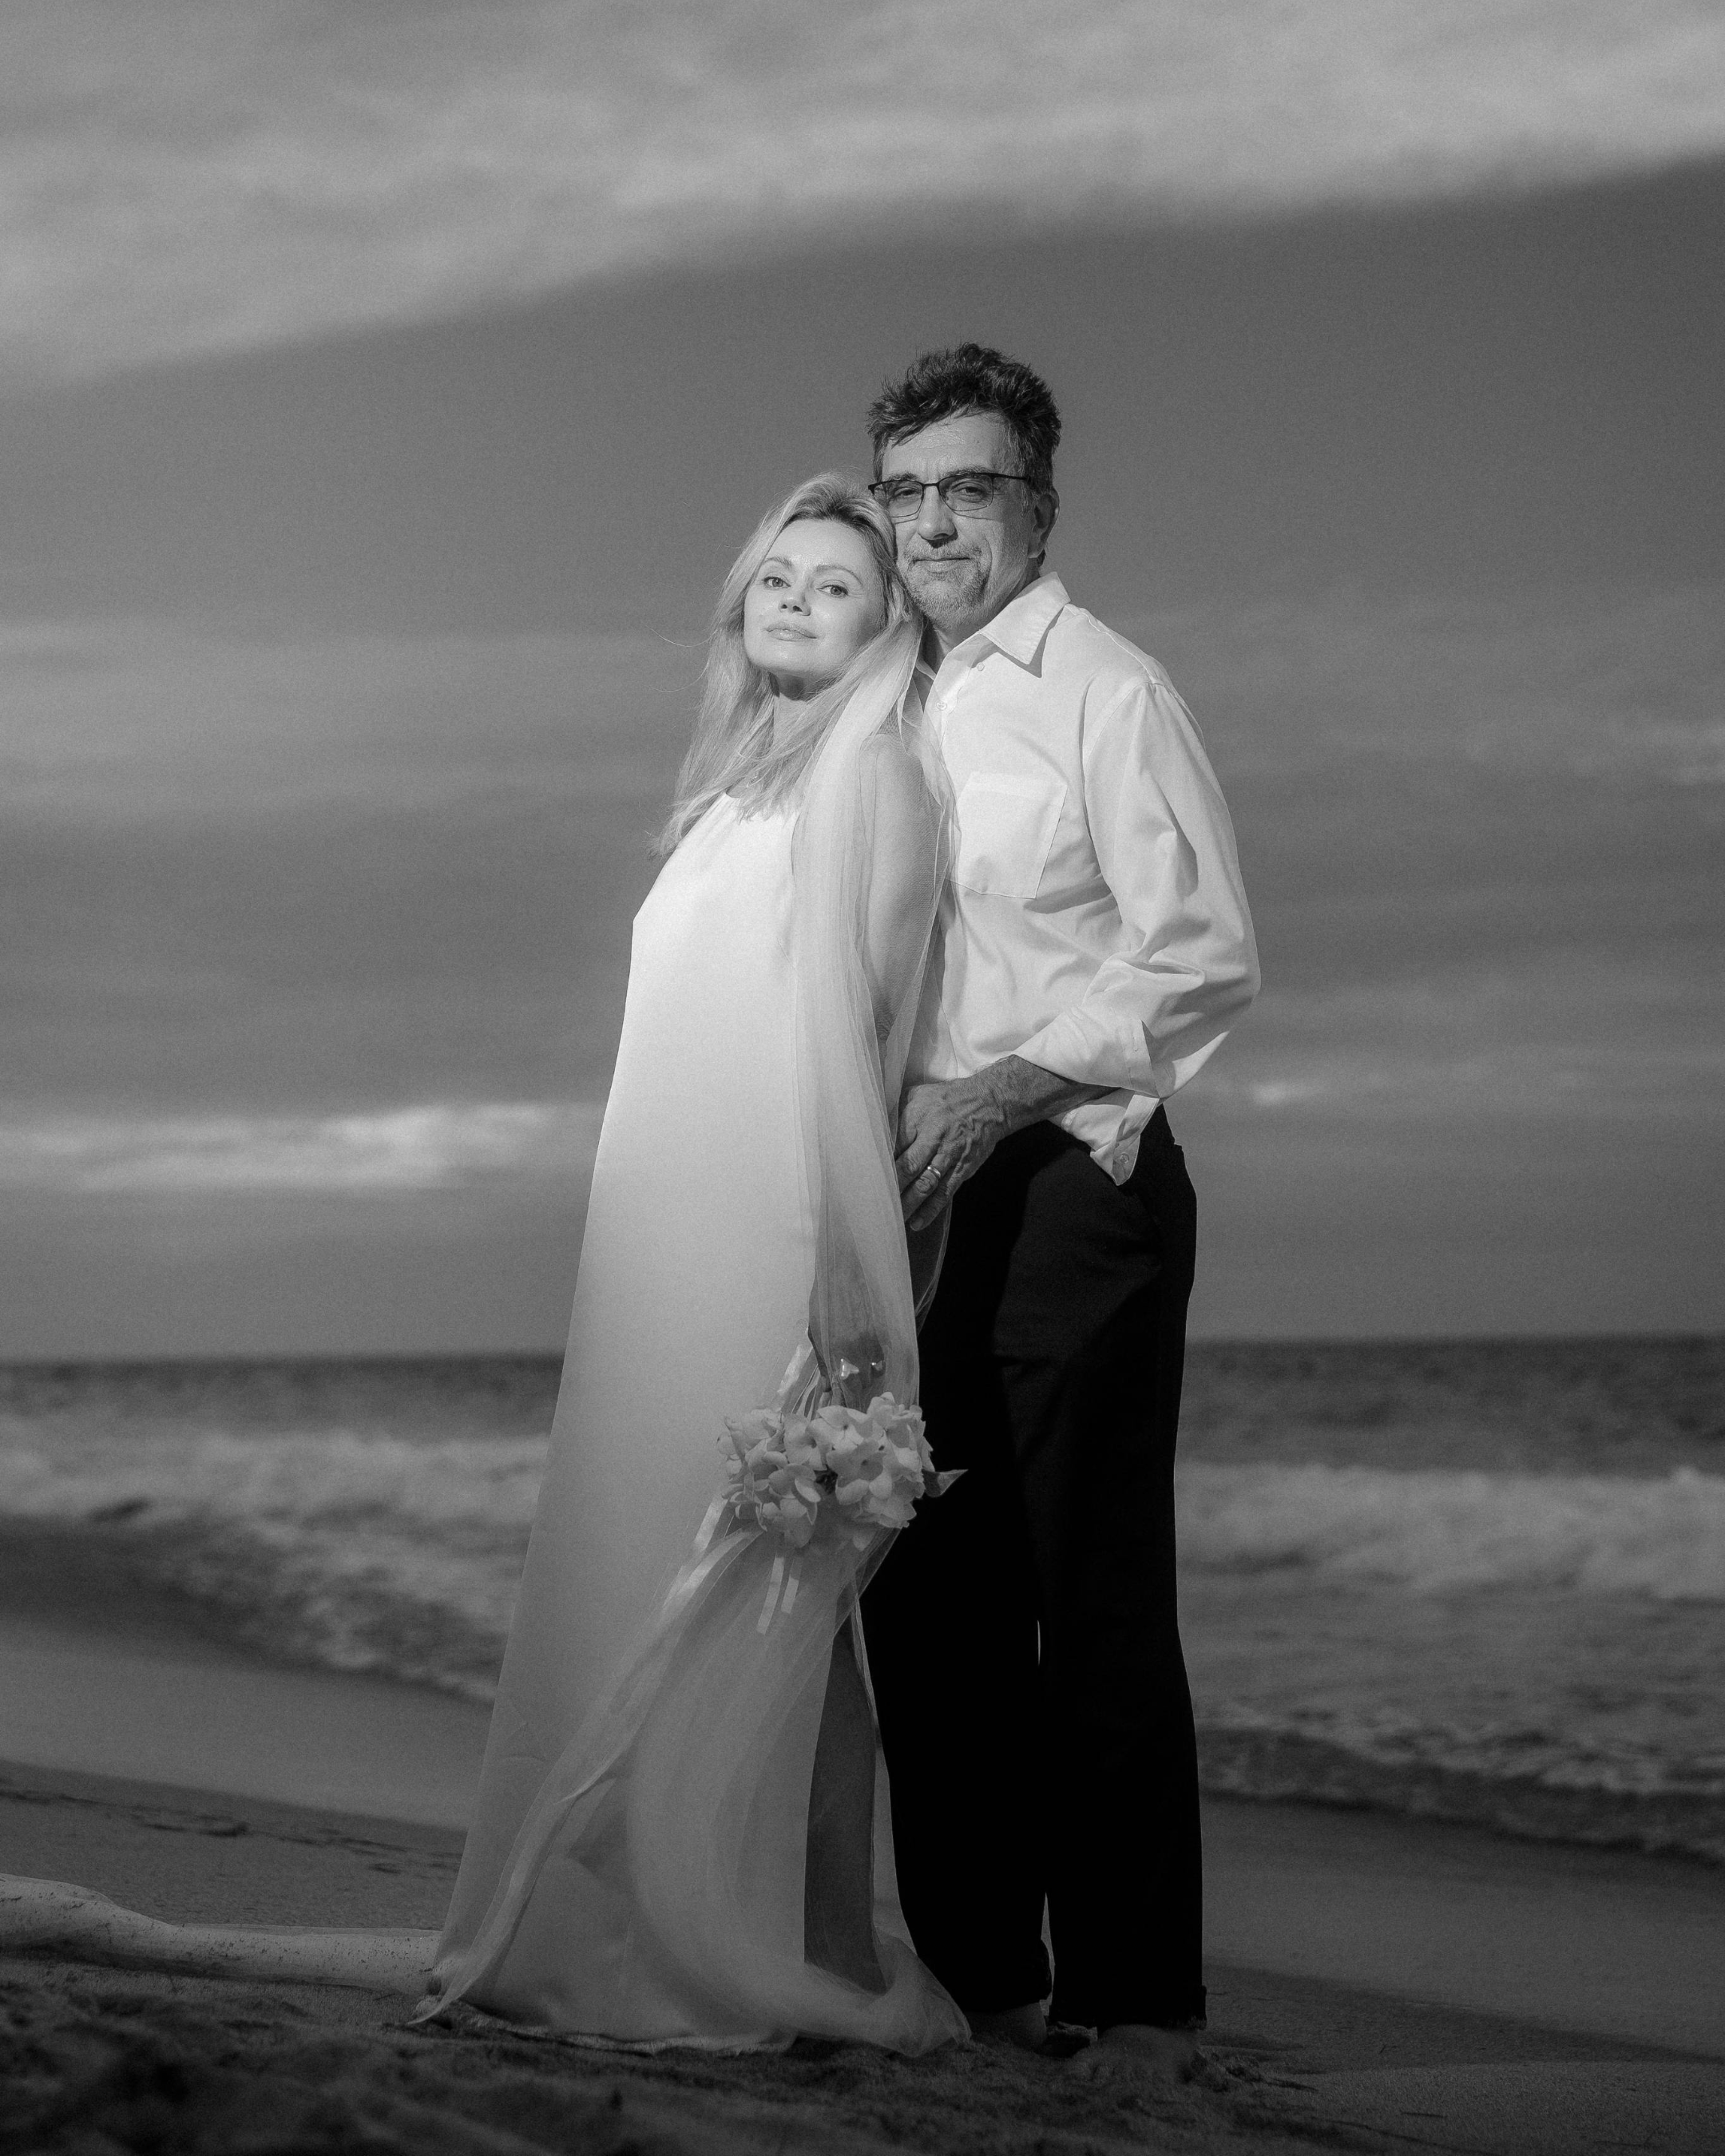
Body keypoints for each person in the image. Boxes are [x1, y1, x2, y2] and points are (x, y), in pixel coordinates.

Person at [0, 476, 968, 2059]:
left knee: (768, 1586)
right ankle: (632, 1921)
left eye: (838, 585)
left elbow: (864, 1040)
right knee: (672, 1564)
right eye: (774, 576)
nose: (796, 599)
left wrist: (851, 1276)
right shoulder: (733, 789)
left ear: (886, 627)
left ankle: (784, 1950)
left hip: (772, 1228)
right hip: (661, 1234)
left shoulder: (881, 781)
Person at [859, 346, 1259, 2071]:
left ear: (1039, 507)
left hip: (1072, 1182)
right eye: (910, 492)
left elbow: (1203, 955)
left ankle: (1139, 2000)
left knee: (1086, 1596)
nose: (937, 521)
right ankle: (983, 1988)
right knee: (923, 1592)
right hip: (908, 1201)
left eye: (971, 489)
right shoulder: (881, 698)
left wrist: (1005, 1089)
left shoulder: (1106, 690)